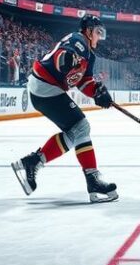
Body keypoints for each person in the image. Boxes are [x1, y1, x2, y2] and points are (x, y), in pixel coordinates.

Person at [11, 15, 117, 203]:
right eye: (98, 32)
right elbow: (63, 58)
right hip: (45, 86)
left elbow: (84, 82)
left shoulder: (89, 54)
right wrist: (68, 60)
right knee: (81, 127)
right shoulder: (78, 41)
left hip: (46, 88)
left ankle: (32, 162)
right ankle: (92, 180)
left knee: (76, 131)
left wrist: (98, 93)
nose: (99, 37)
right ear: (88, 30)